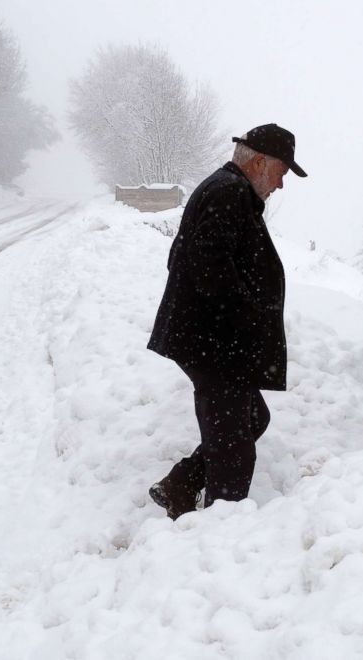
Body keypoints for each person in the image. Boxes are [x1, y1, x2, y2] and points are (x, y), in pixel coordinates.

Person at [146, 123, 307, 519]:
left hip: (214, 340)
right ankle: (220, 529)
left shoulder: (230, 192)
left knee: (252, 418)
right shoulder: (227, 193)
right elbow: (208, 267)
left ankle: (181, 483)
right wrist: (247, 319)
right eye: (281, 173)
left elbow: (191, 259)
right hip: (215, 344)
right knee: (232, 445)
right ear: (258, 162)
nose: (281, 185)